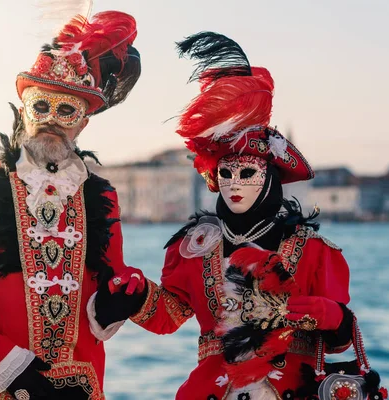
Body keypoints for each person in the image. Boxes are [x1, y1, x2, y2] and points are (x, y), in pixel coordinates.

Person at [95, 32, 358, 399]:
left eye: (247, 173)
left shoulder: (313, 250)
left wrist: (330, 315)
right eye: (226, 173)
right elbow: (169, 315)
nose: (234, 183)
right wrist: (134, 296)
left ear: (270, 178)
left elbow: (339, 343)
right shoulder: (194, 247)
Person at [0, 10, 144, 400]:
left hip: (80, 385)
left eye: (66, 110)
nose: (52, 120)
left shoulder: (101, 196)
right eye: (41, 107)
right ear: (24, 110)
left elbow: (111, 278)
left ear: (84, 122)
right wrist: (5, 366)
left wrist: (111, 306)